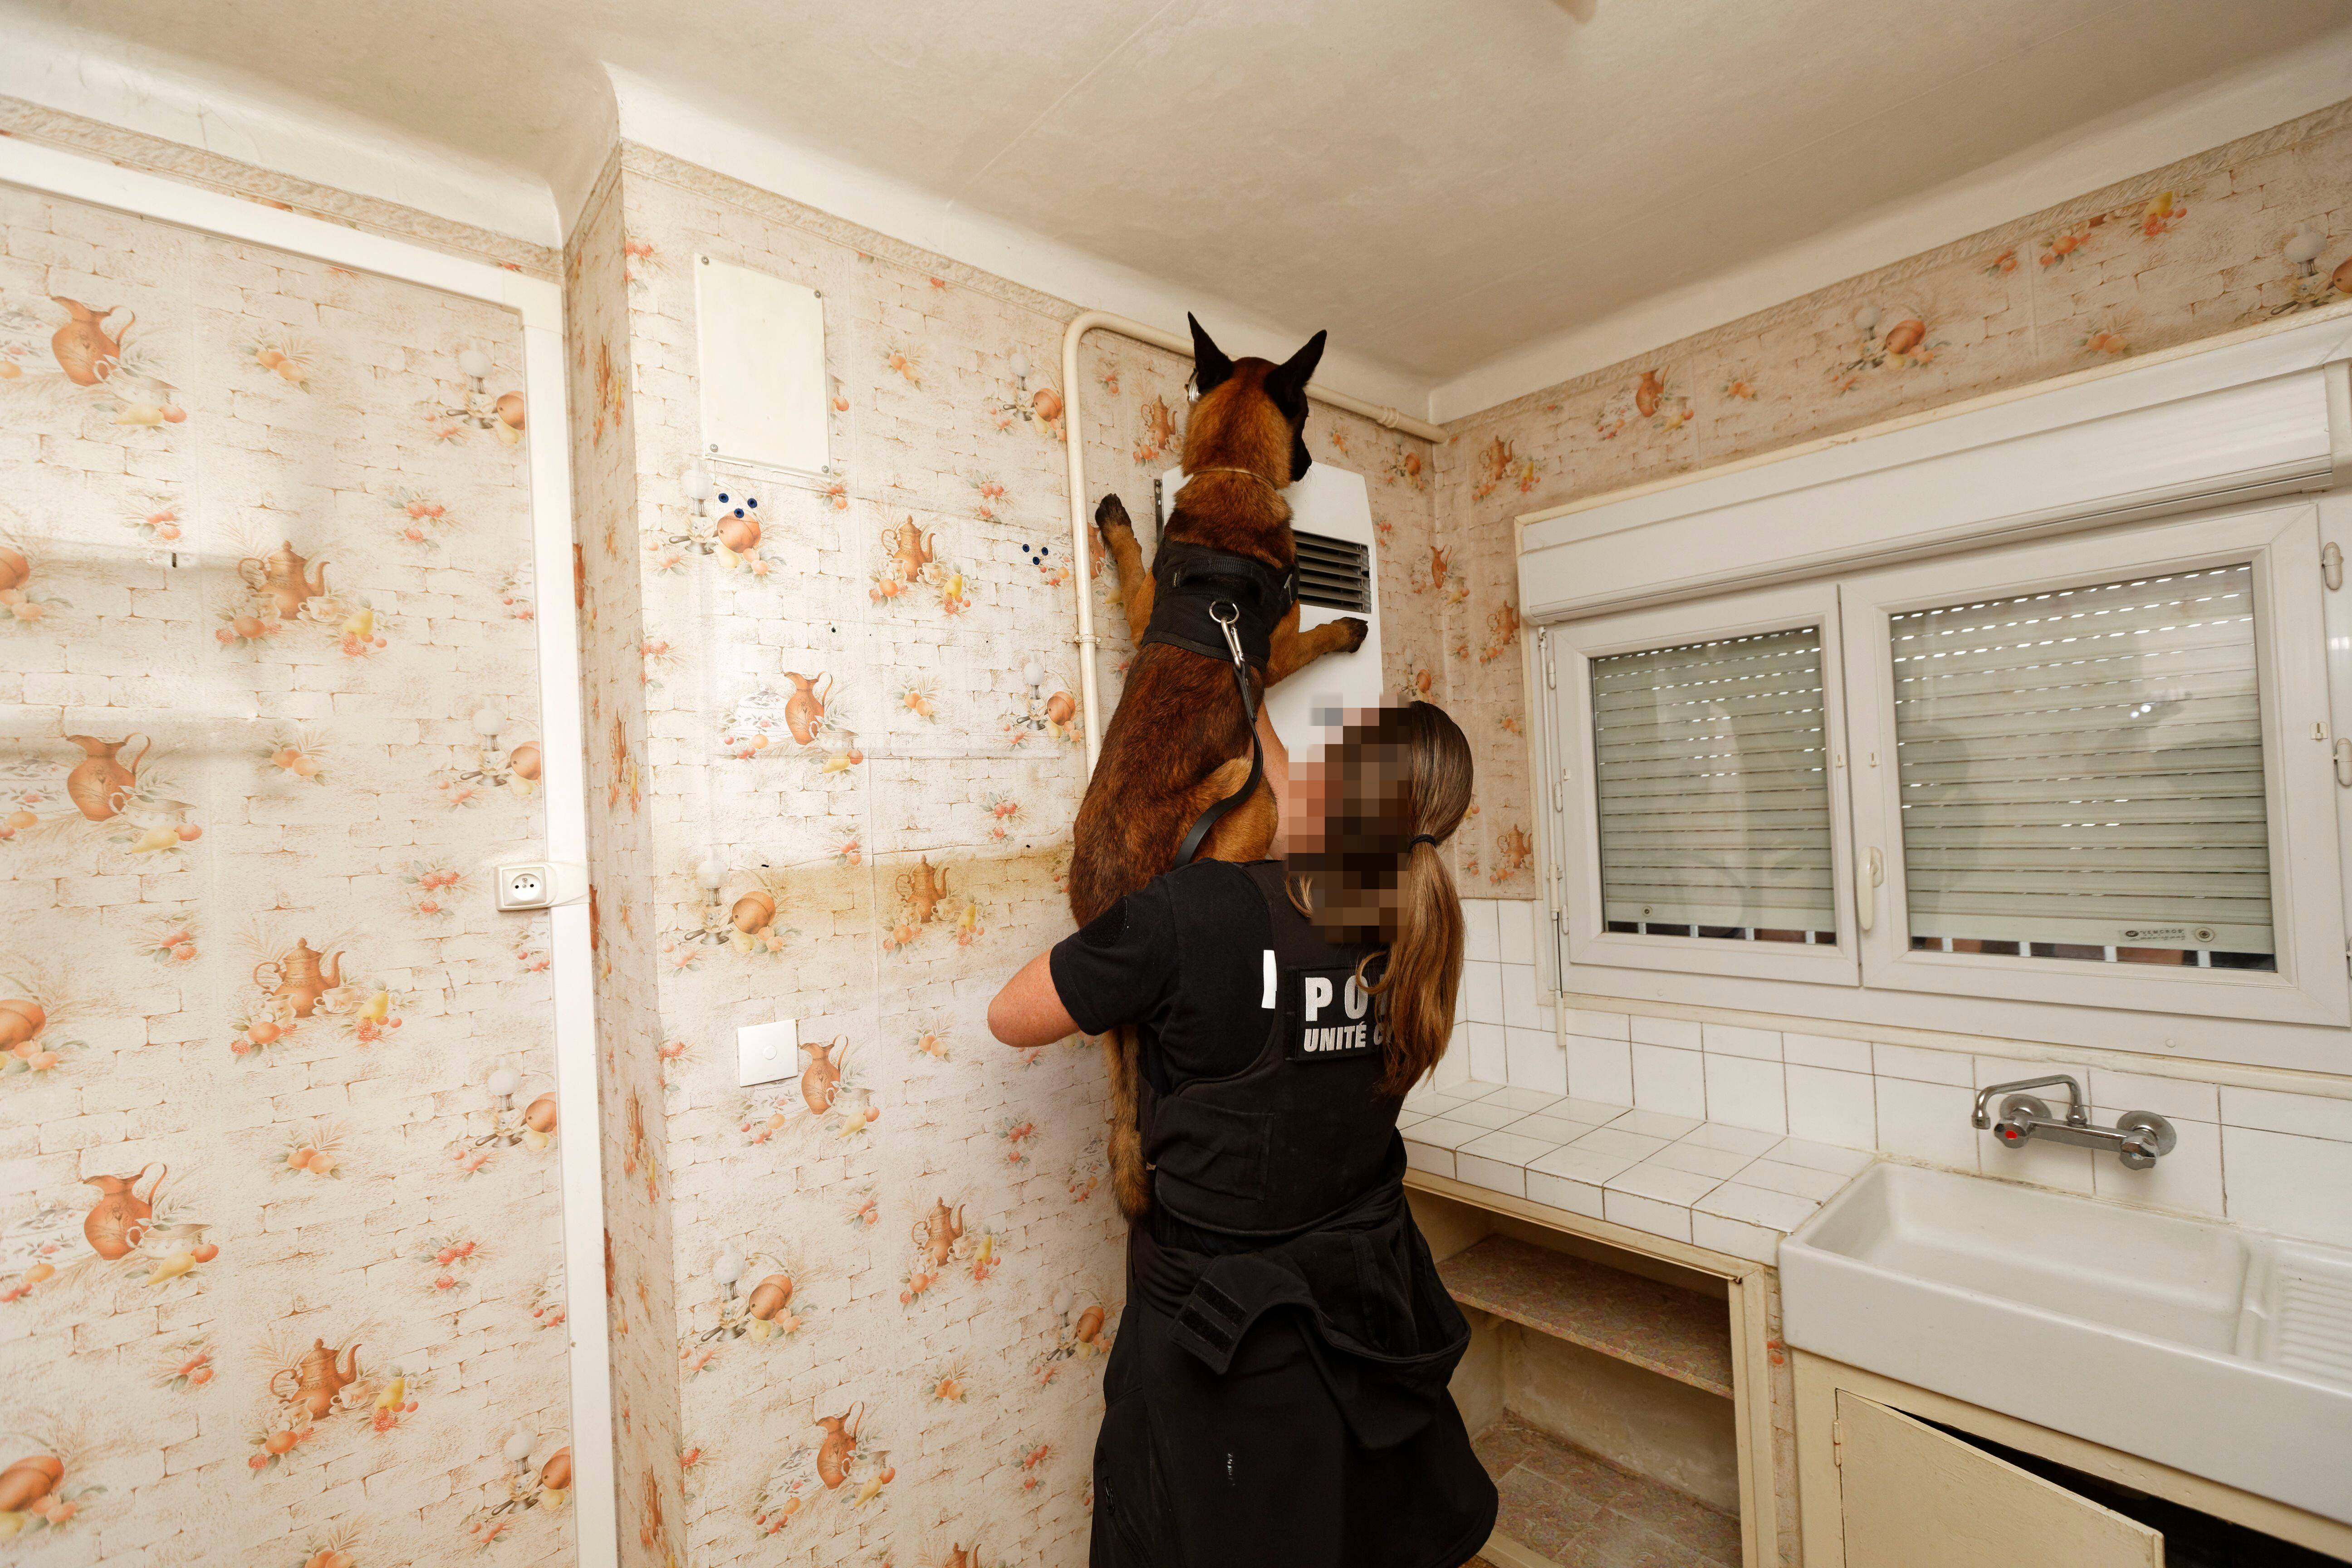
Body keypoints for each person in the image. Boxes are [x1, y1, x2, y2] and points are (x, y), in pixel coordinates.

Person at [989, 701, 1498, 1568]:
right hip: (1353, 1321)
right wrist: (1242, 692)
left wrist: (1141, 939)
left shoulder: (1199, 915)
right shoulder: (1414, 931)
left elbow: (1012, 1015)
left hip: (1221, 1346)